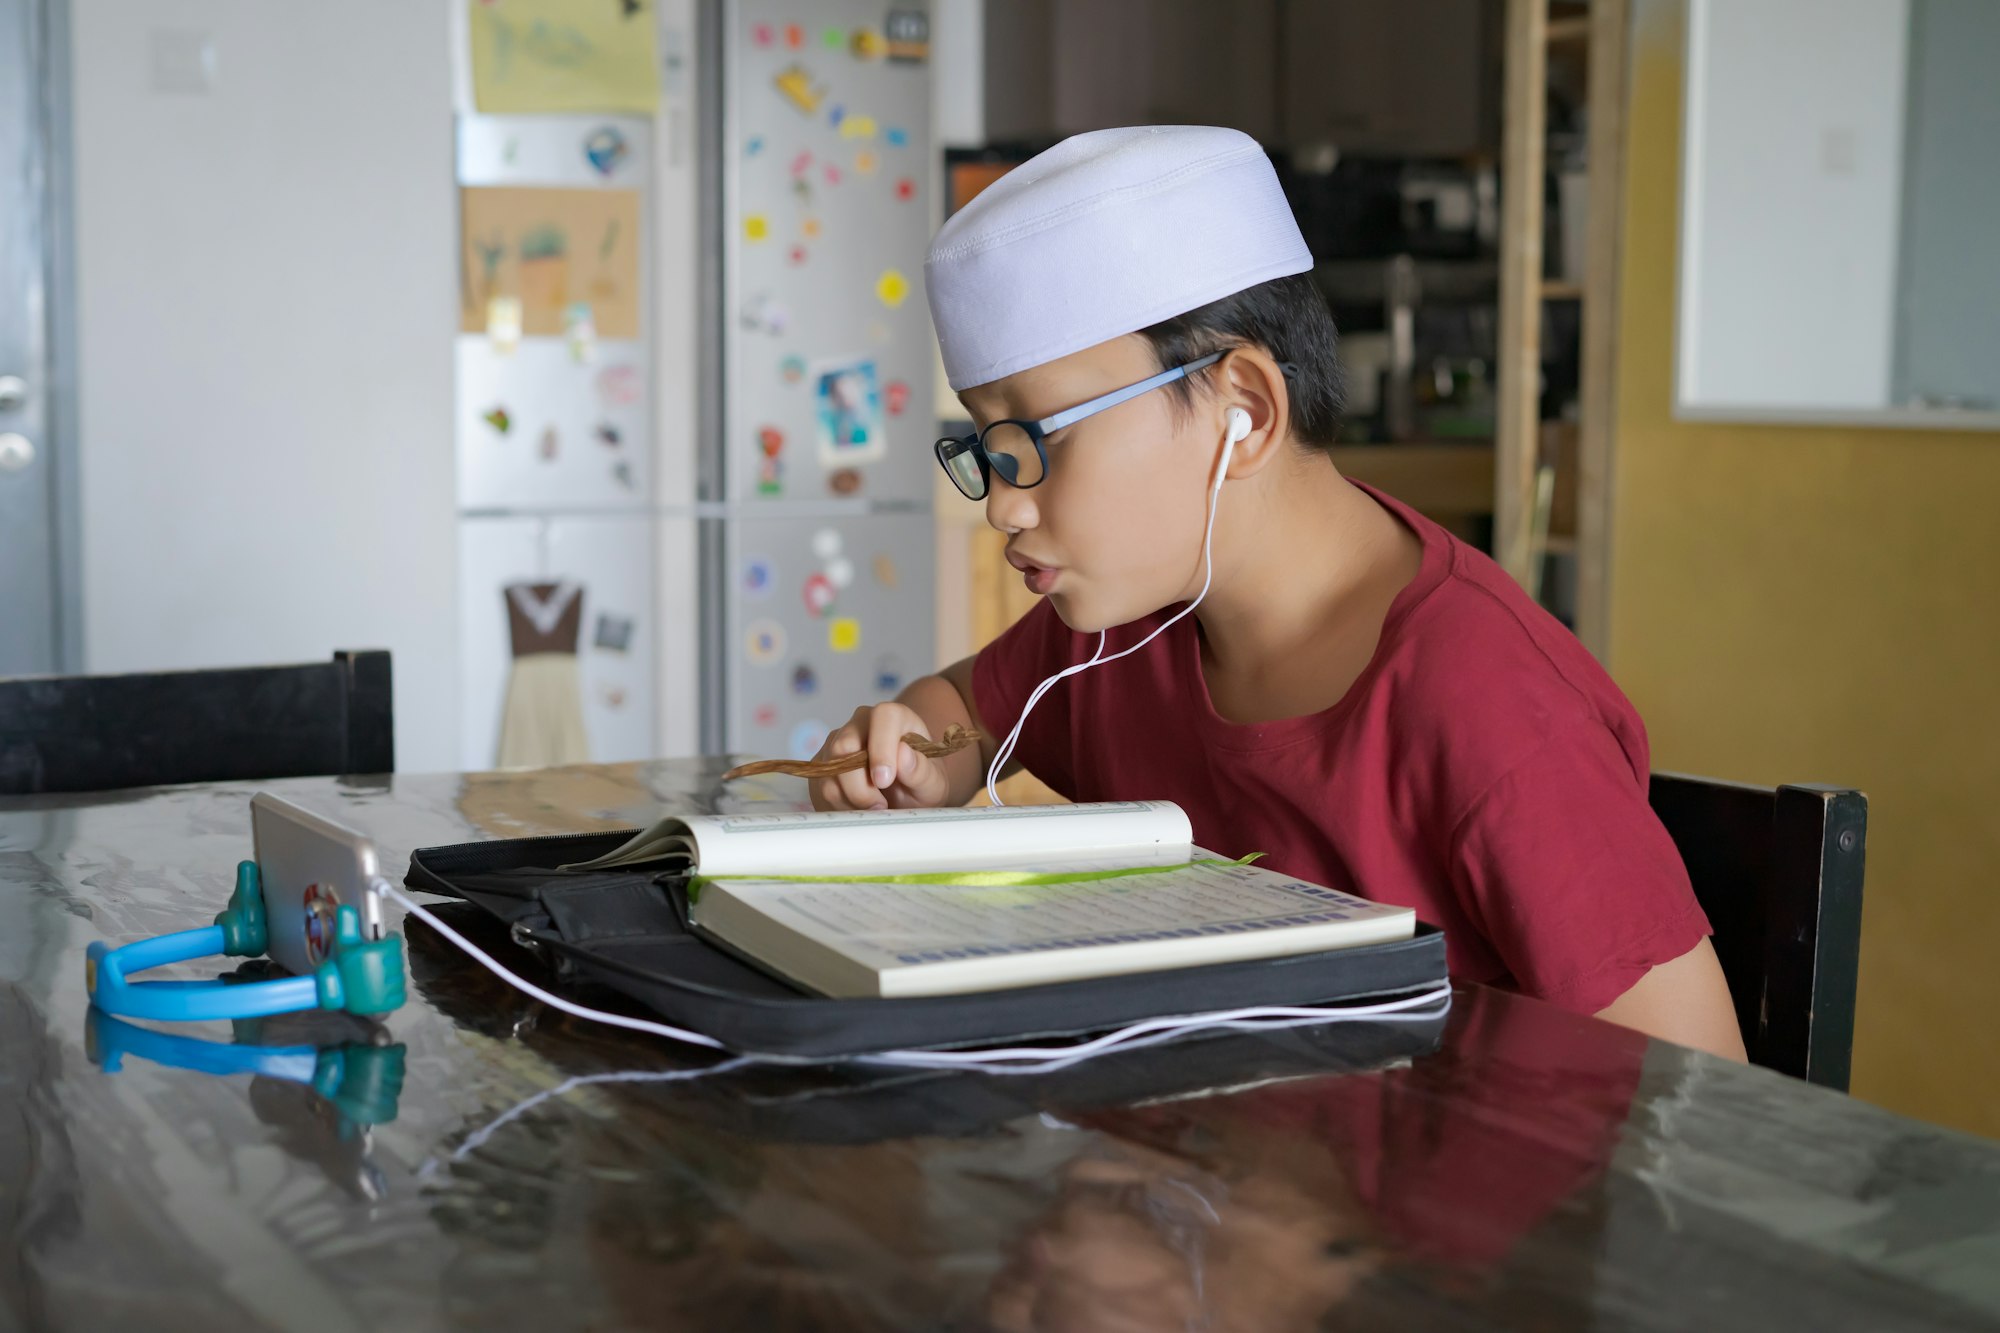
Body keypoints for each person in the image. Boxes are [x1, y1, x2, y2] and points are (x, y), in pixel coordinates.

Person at [807, 125, 1743, 1058]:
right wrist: (922, 753)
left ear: (1243, 412)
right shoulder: (1117, 629)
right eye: (987, 450)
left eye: (1037, 441)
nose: (1004, 506)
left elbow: (1695, 1100)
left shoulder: (1488, 708)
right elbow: (973, 708)